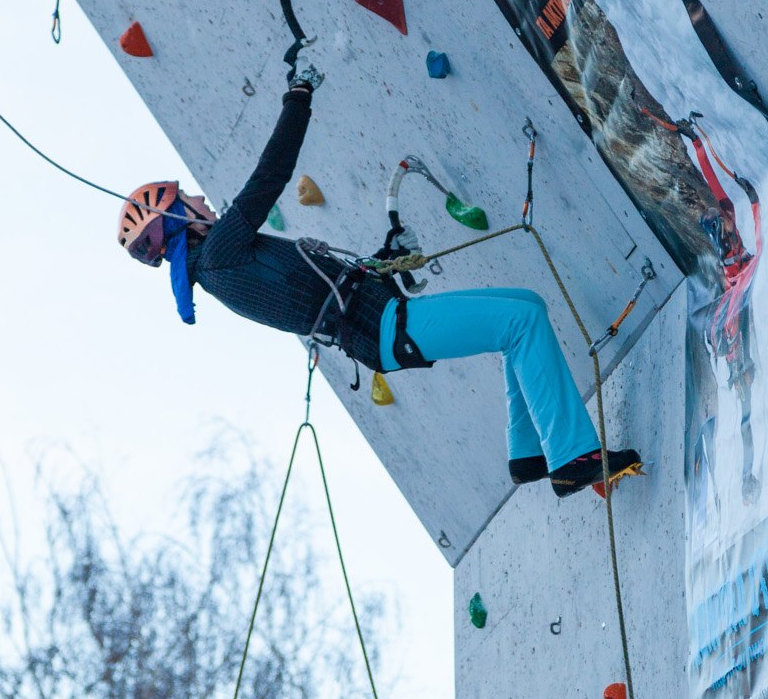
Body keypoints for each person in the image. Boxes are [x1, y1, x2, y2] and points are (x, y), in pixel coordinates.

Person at [118, 73, 642, 497]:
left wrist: (380, 261)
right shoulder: (216, 256)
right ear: (176, 220)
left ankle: (528, 453)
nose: (201, 200)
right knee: (521, 324)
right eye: (187, 198)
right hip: (385, 329)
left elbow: (312, 289)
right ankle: (573, 459)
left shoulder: (217, 269)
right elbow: (269, 178)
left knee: (526, 306)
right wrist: (297, 98)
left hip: (379, 322)